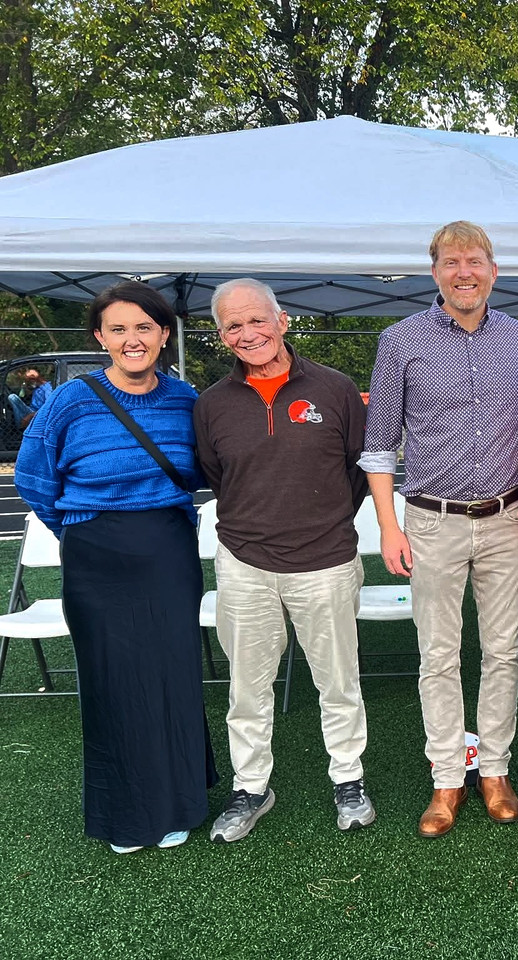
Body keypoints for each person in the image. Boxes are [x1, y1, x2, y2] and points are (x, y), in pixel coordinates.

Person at [362, 220, 518, 837]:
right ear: (435, 271)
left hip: (506, 520)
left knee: (503, 651)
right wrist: (389, 528)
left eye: (475, 261)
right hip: (430, 521)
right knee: (437, 655)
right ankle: (447, 778)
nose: (464, 272)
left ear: (494, 270)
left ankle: (494, 769)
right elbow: (379, 445)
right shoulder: (400, 341)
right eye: (451, 262)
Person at [14, 281, 216, 853]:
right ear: (101, 337)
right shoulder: (70, 400)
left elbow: (207, 469)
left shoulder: (186, 400)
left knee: (173, 676)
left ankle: (179, 802)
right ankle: (128, 816)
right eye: (119, 329)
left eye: (144, 327)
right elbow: (33, 478)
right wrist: (84, 529)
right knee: (112, 683)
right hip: (96, 558)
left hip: (168, 554)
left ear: (164, 334)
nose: (133, 339)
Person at [193, 278, 374, 842]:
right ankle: (251, 786)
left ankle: (348, 779)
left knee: (338, 682)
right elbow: (218, 477)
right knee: (247, 688)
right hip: (245, 564)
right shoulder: (212, 404)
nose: (248, 333)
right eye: (233, 326)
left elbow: (359, 469)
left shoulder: (336, 389)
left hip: (325, 562)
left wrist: (318, 522)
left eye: (257, 320)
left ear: (283, 320)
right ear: (222, 336)